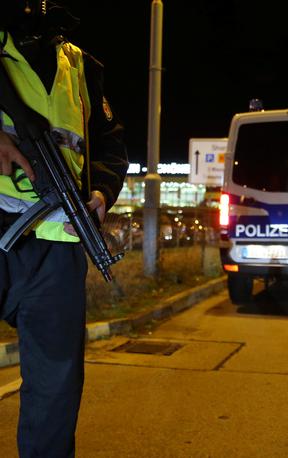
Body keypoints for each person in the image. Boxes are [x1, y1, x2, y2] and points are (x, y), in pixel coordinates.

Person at [0, 1, 128, 455]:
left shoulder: (79, 64)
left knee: (56, 391)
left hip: (57, 246)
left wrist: (101, 195)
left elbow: (112, 149)